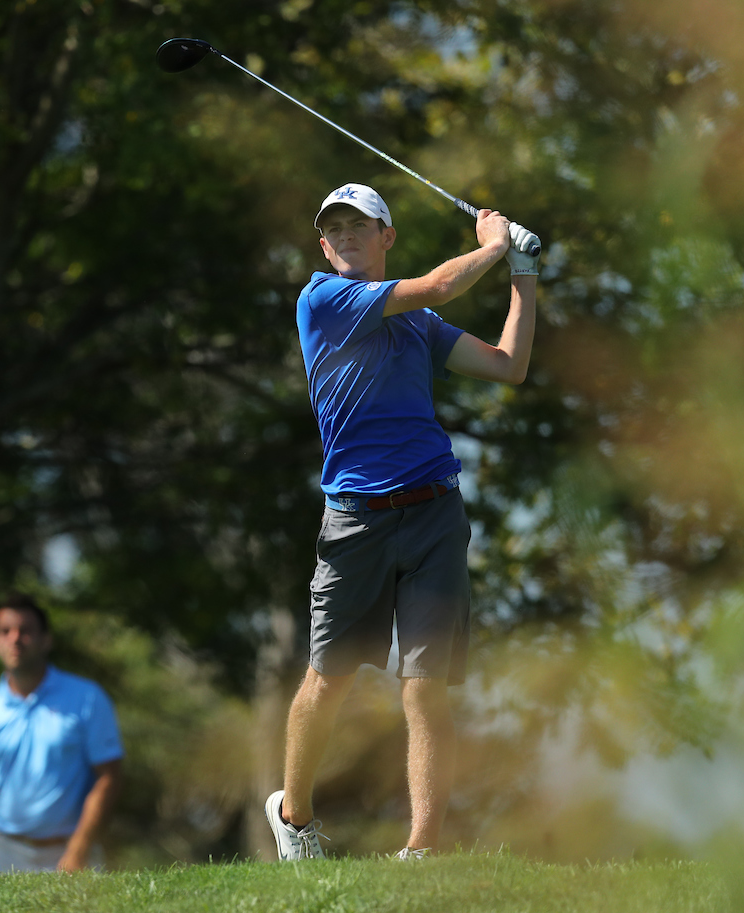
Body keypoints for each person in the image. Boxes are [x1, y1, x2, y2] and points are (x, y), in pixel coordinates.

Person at [264, 183, 539, 861]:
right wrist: (494, 246)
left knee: (425, 687)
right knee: (330, 678)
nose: (346, 237)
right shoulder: (322, 300)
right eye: (334, 229)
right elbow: (441, 283)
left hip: (434, 513)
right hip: (355, 520)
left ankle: (423, 850)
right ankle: (294, 817)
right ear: (323, 245)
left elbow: (508, 366)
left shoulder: (418, 324)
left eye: (360, 226)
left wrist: (523, 274)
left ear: (386, 236)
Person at [0, 592, 124, 873]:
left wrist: (79, 847)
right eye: (5, 631)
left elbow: (109, 776)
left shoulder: (87, 698)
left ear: (46, 640)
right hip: (0, 851)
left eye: (25, 631)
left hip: (71, 852)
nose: (15, 639)